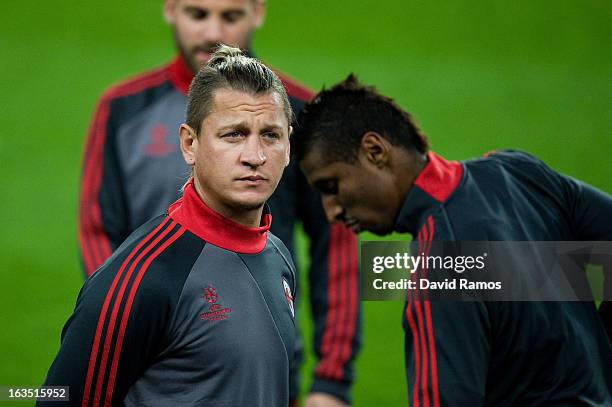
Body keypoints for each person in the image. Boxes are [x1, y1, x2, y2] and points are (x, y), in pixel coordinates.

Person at [77, 1, 359, 405]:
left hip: (268, 363)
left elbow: (338, 244)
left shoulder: (300, 113)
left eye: (230, 17)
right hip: (156, 357)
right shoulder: (122, 109)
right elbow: (98, 231)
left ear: (258, 12)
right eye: (198, 15)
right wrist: (124, 319)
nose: (214, 34)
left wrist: (331, 381)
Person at [293, 74, 612, 406]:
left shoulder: (439, 268)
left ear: (375, 151)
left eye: (331, 187)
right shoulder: (517, 172)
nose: (332, 212)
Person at [41, 46, 299, 406]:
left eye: (270, 135)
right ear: (189, 144)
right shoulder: (142, 278)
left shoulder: (278, 257)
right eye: (234, 135)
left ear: (288, 147)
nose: (255, 156)